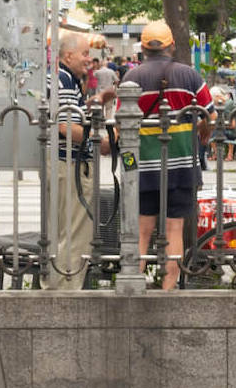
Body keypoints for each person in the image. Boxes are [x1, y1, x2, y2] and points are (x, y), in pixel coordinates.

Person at [121, 21, 214, 290]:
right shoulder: (190, 76)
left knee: (142, 230)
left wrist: (129, 167)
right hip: (183, 164)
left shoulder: (131, 79)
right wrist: (202, 132)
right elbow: (211, 115)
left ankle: (131, 286)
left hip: (143, 167)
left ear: (143, 49)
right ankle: (168, 289)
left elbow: (121, 127)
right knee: (175, 228)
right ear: (172, 45)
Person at [46, 31, 114, 290]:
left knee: (64, 230)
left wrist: (93, 103)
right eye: (85, 54)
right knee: (76, 232)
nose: (89, 59)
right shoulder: (63, 79)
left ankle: (56, 285)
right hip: (69, 163)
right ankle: (65, 288)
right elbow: (65, 126)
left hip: (63, 162)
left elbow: (67, 117)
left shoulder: (65, 79)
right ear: (68, 55)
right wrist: (100, 142)